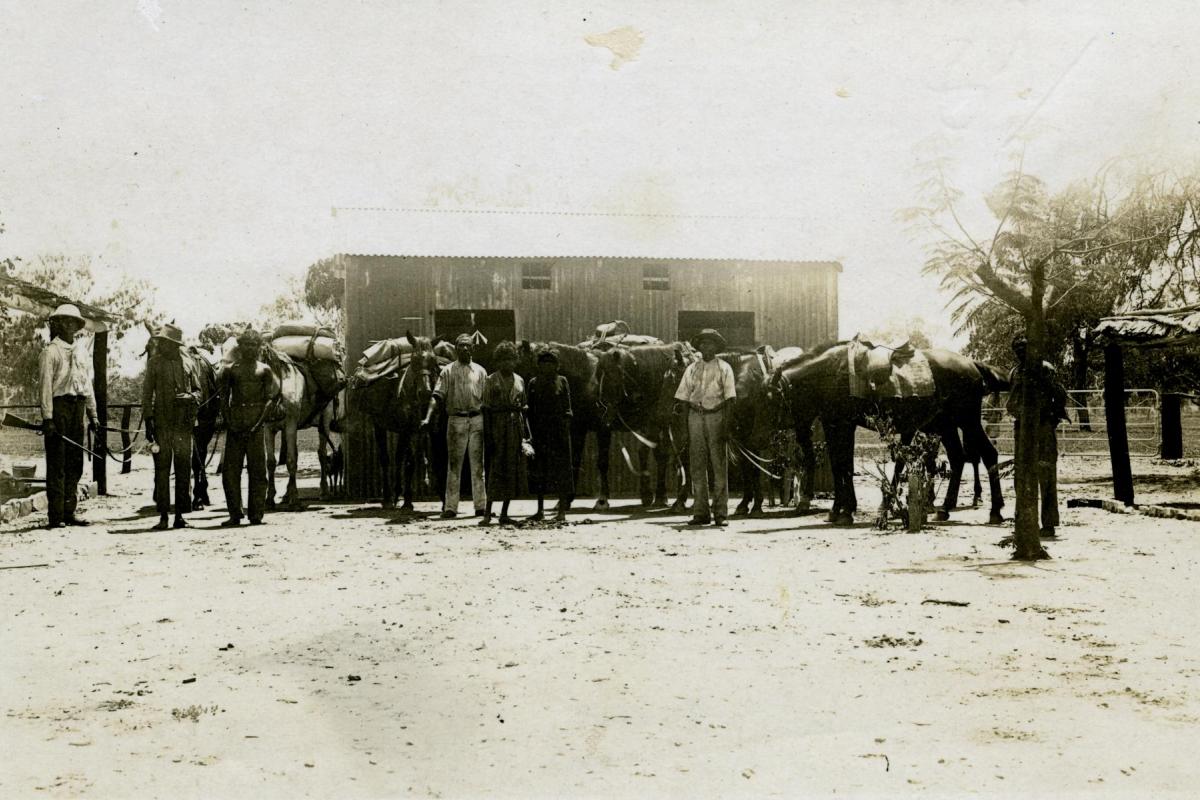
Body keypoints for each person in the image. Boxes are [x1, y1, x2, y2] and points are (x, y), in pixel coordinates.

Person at [38, 304, 99, 529]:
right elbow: (45, 387)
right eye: (65, 321)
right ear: (58, 324)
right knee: (58, 463)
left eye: (73, 322)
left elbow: (87, 384)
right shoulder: (50, 352)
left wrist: (93, 415)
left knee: (75, 462)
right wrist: (48, 419)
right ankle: (56, 516)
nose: (69, 326)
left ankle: (69, 511)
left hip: (78, 408)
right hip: (59, 408)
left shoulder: (82, 351)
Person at [1006, 334, 1070, 537]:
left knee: (1046, 475)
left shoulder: (1045, 368)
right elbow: (1012, 399)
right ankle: (1024, 520)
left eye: (1024, 347)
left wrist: (1051, 418)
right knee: (1020, 476)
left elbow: (1059, 395)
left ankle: (1049, 523)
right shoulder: (1015, 372)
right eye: (1017, 349)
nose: (1020, 352)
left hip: (1042, 427)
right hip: (1021, 427)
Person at [142, 322, 202, 530]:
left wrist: (190, 396)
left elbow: (198, 391)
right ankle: (163, 517)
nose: (163, 346)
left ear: (175, 345)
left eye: (167, 343)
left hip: (183, 425)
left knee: (184, 470)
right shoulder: (154, 363)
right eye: (162, 343)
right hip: (162, 424)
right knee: (162, 470)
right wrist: (148, 421)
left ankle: (180, 516)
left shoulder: (188, 363)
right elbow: (147, 394)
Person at [421, 333, 488, 518]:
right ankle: (450, 508)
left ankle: (481, 506)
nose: (464, 349)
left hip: (477, 420)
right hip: (456, 420)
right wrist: (427, 418)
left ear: (473, 348)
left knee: (478, 466)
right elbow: (437, 395)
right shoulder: (448, 371)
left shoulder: (481, 372)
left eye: (468, 345)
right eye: (461, 346)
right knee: (454, 466)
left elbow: (488, 400)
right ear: (456, 348)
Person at [218, 328, 280, 527]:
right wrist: (230, 423)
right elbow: (223, 400)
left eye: (254, 345)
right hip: (236, 423)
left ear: (259, 347)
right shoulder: (230, 370)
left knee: (258, 472)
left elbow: (270, 400)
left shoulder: (265, 370)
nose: (250, 348)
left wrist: (258, 424)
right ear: (240, 346)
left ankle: (256, 515)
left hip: (256, 425)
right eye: (246, 344)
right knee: (230, 472)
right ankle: (235, 514)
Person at [674, 328, 736, 526]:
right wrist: (685, 427)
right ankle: (700, 512)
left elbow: (730, 399)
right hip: (695, 417)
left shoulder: (724, 368)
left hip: (716, 416)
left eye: (710, 343)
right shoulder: (691, 368)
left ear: (716, 346)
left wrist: (726, 425)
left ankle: (720, 513)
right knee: (697, 465)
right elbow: (683, 398)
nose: (705, 346)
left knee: (719, 465)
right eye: (702, 343)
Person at [526, 349, 574, 522]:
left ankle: (562, 511)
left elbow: (568, 408)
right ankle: (540, 510)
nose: (547, 366)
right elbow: (528, 410)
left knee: (562, 472)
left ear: (556, 365)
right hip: (540, 434)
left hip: (559, 433)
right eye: (544, 363)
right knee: (539, 472)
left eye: (551, 363)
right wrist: (530, 434)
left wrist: (564, 429)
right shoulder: (533, 383)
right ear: (539, 365)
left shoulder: (562, 381)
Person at [481, 341, 527, 526]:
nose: (507, 363)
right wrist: (488, 435)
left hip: (515, 427)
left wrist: (525, 435)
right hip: (497, 427)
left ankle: (504, 513)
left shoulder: (520, 380)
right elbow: (485, 409)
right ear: (497, 362)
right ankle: (487, 513)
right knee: (495, 469)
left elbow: (524, 407)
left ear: (515, 361)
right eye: (503, 360)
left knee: (511, 469)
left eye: (510, 359)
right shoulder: (491, 380)